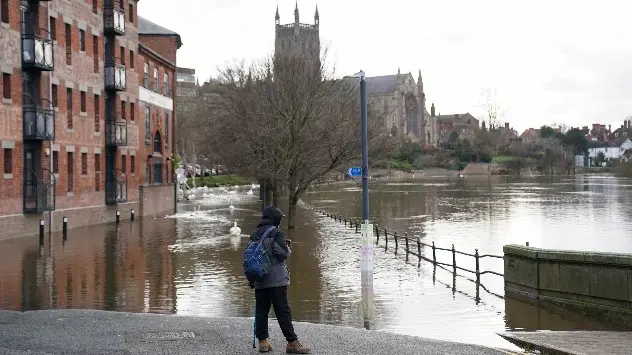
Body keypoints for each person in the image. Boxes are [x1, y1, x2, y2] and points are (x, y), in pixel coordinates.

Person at [248, 205, 311, 354]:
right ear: (274, 219)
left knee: (262, 311)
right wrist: (288, 247)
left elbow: (249, 257)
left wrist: (251, 278)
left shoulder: (254, 233)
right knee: (283, 311)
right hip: (276, 280)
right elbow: (282, 254)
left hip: (259, 279)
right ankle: (292, 343)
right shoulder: (276, 233)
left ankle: (263, 342)